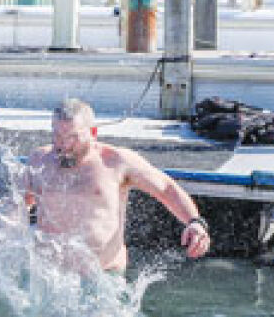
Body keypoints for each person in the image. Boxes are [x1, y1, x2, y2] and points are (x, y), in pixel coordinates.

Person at [23, 98, 211, 272]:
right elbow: (20, 204)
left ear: (93, 133)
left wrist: (194, 222)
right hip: (48, 276)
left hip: (102, 277)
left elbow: (165, 188)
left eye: (72, 137)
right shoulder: (39, 161)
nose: (63, 145)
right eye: (57, 136)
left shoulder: (116, 162)